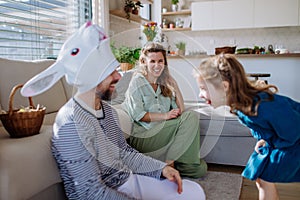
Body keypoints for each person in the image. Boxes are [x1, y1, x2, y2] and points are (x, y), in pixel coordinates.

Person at [20, 22, 205, 200]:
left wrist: (160, 169)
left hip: (127, 180)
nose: (118, 76)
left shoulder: (107, 111)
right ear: (89, 76)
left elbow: (124, 153)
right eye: (110, 72)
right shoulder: (71, 123)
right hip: (107, 192)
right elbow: (90, 193)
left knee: (195, 192)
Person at [193, 53, 300, 200]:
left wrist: (273, 144)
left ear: (225, 86)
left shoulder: (261, 106)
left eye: (203, 88)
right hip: (290, 137)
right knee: (262, 177)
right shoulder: (239, 106)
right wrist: (263, 139)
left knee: (265, 175)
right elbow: (265, 127)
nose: (200, 94)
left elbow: (293, 129)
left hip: (295, 138)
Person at [122, 42, 207, 179]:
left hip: (162, 135)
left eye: (160, 61)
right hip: (144, 136)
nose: (157, 65)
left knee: (200, 170)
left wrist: (175, 85)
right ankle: (169, 163)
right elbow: (139, 115)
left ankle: (176, 164)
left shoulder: (163, 83)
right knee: (191, 117)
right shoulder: (137, 81)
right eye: (153, 61)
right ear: (144, 62)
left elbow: (180, 110)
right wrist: (165, 115)